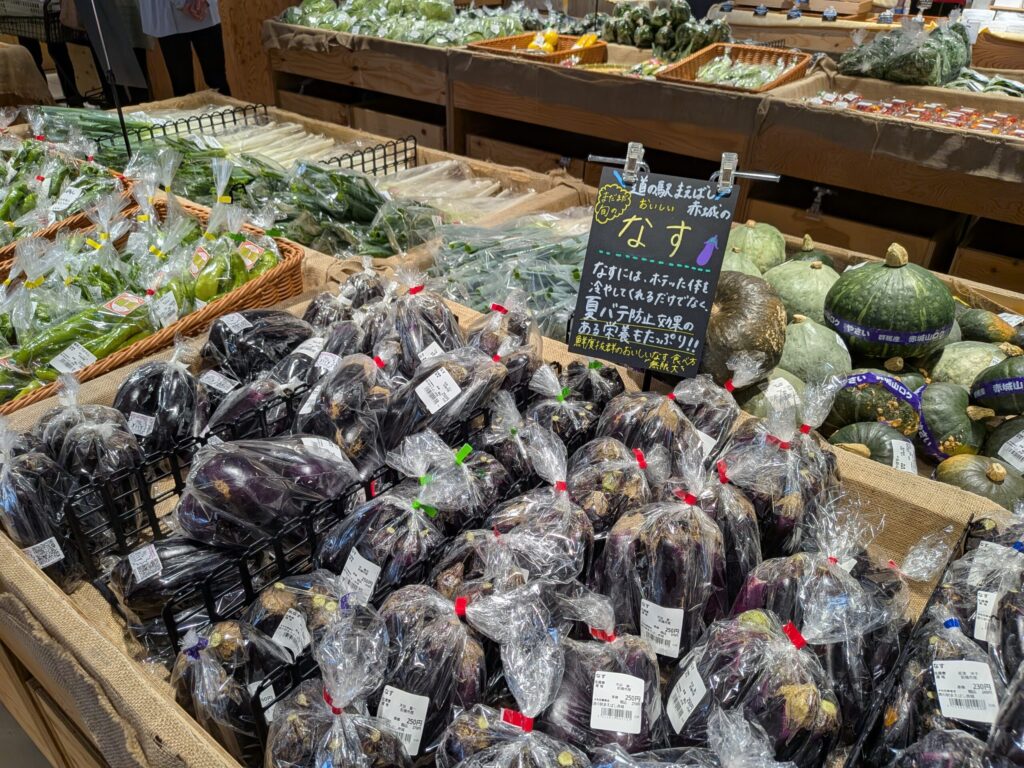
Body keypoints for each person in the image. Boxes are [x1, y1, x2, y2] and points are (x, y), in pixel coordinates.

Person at [139, 0, 230, 97]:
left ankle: (230, 111)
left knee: (217, 79)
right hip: (168, 15)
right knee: (183, 85)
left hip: (203, 10)